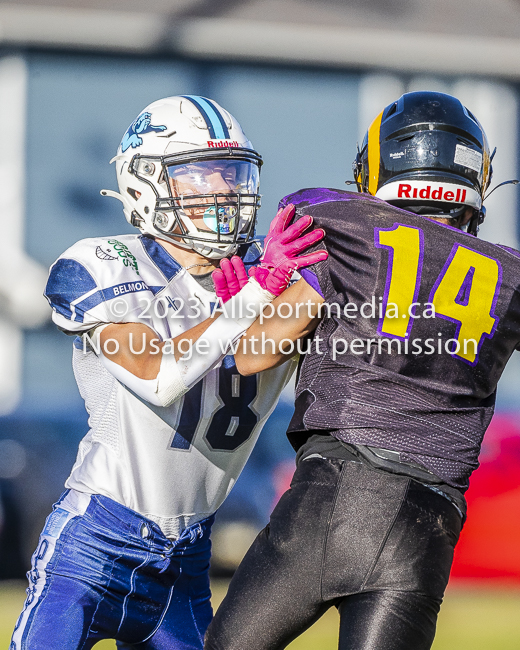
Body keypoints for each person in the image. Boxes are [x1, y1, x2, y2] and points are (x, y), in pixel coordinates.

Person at [204, 90, 520, 650]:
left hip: (336, 495)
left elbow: (254, 355)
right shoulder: (509, 276)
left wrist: (249, 303)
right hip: (430, 524)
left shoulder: (344, 228)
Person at [11, 95, 326, 650]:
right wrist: (254, 297)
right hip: (94, 546)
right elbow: (158, 374)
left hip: (187, 559)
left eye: (232, 174)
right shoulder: (100, 263)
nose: (224, 191)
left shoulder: (273, 274)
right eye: (201, 175)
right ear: (143, 183)